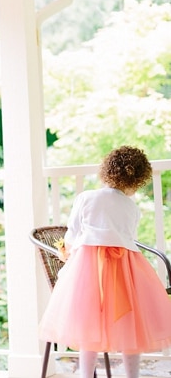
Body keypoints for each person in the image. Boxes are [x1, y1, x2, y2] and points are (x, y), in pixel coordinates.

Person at [38, 145, 171, 378]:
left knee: (89, 323)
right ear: (137, 180)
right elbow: (128, 238)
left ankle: (86, 375)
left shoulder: (86, 197)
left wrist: (66, 252)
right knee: (133, 326)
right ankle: (132, 375)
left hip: (89, 268)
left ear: (107, 171)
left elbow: (73, 233)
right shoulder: (131, 207)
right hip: (127, 269)